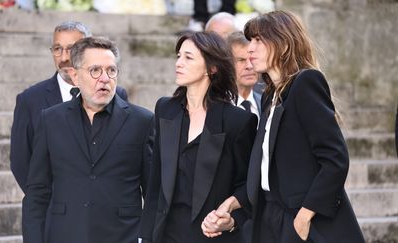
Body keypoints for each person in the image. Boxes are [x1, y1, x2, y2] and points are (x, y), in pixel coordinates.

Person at [202, 10, 365, 243]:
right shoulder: (270, 95)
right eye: (251, 41)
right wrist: (234, 202)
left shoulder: (306, 83)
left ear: (283, 44)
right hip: (272, 219)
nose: (250, 49)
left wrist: (305, 215)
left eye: (258, 40)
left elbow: (335, 159)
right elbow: (268, 168)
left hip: (305, 221)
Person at [22, 37, 154, 243]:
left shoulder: (143, 121)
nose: (104, 78)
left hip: (123, 236)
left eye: (111, 70)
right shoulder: (51, 119)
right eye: (95, 70)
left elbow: (152, 192)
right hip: (64, 235)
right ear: (74, 76)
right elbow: (37, 193)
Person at [139, 31, 257, 243]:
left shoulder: (238, 121)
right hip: (166, 234)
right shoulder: (165, 109)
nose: (178, 63)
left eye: (188, 57)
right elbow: (156, 180)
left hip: (212, 235)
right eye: (178, 56)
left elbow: (248, 186)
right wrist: (145, 236)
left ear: (211, 68)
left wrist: (231, 220)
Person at [10, 21, 127, 192]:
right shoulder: (29, 100)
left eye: (71, 49)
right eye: (57, 49)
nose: (64, 58)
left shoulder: (117, 95)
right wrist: (48, 204)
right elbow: (21, 162)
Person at [227, 31, 261, 119]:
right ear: (227, 64)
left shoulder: (266, 104)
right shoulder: (214, 106)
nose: (249, 66)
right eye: (241, 60)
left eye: (252, 59)